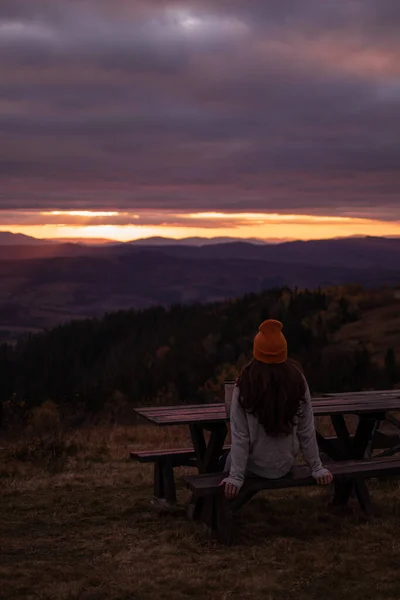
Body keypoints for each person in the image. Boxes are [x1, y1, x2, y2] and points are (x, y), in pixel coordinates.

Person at [221, 319, 333, 500]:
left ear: (256, 352)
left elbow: (240, 436)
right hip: (284, 466)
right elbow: (307, 430)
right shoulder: (298, 381)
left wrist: (235, 477)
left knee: (223, 461)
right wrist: (316, 467)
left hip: (253, 468)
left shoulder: (244, 384)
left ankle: (216, 510)